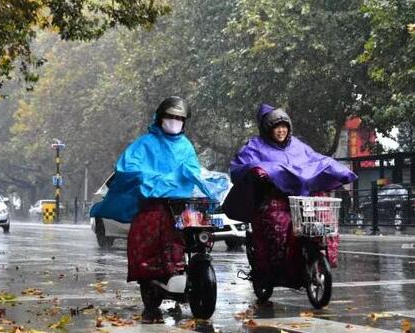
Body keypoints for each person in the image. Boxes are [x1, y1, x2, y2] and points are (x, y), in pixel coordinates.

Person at [91, 96, 215, 323]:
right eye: (171, 117)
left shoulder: (186, 145)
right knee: (148, 235)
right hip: (154, 205)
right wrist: (153, 180)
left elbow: (193, 169)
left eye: (180, 118)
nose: (175, 121)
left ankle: (185, 272)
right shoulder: (144, 144)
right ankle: (151, 287)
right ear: (160, 118)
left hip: (182, 206)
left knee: (201, 233)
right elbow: (129, 167)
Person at [223, 103, 357, 288]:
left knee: (324, 223)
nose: (281, 131)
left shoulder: (298, 145)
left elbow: (317, 159)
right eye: (276, 127)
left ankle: (318, 259)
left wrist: (337, 170)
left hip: (303, 199)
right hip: (275, 198)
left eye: (284, 126)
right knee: (277, 228)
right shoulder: (254, 146)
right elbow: (240, 166)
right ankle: (274, 269)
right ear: (267, 129)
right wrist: (257, 171)